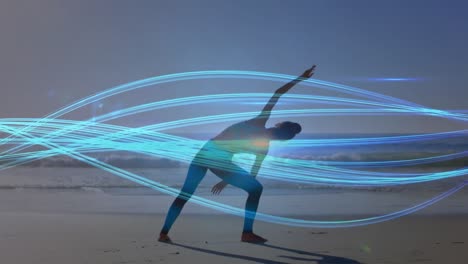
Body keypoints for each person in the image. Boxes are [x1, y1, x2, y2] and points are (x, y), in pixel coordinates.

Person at [159, 65, 316, 243]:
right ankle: (247, 233)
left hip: (206, 153)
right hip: (215, 158)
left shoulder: (260, 126)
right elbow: (277, 93)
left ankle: (163, 233)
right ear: (281, 137)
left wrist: (300, 78)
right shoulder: (261, 136)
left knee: (186, 193)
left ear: (277, 127)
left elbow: (277, 93)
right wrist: (225, 180)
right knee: (256, 189)